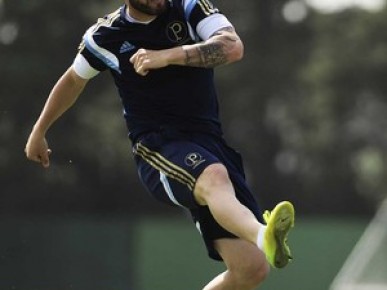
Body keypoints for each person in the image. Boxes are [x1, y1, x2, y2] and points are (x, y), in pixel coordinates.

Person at [25, 0, 295, 289]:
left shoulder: (190, 7)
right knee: (214, 177)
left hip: (210, 144)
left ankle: (260, 237)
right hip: (157, 146)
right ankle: (262, 234)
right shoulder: (105, 36)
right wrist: (39, 130)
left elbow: (231, 47)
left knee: (251, 269)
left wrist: (167, 56)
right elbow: (73, 81)